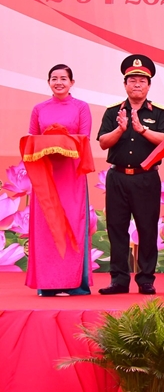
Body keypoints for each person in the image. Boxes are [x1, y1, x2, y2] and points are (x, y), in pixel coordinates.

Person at [96, 55, 164, 295]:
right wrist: (120, 129)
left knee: (147, 228)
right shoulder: (113, 112)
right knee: (116, 228)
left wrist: (142, 129)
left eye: (142, 81)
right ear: (125, 84)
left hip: (146, 178)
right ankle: (118, 280)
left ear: (149, 85)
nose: (137, 84)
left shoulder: (158, 112)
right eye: (132, 80)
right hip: (117, 177)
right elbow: (103, 143)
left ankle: (146, 279)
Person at [25, 64, 92, 296]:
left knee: (71, 224)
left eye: (63, 78)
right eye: (54, 78)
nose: (59, 82)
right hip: (46, 174)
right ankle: (48, 284)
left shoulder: (81, 107)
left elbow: (84, 138)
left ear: (72, 83)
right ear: (48, 82)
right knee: (47, 227)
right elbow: (32, 140)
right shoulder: (39, 109)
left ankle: (72, 283)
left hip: (71, 174)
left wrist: (61, 141)